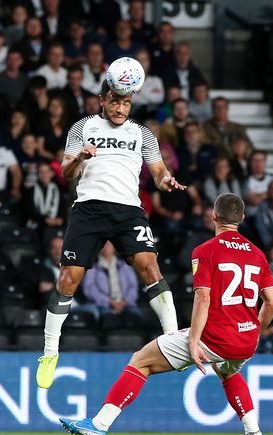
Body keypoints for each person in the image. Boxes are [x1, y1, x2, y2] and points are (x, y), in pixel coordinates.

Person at [59, 193, 273, 435]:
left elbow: (203, 298)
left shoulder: (205, 251)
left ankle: (99, 425)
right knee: (227, 371)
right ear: (241, 218)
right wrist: (255, 331)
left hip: (214, 337)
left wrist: (194, 341)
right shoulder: (257, 253)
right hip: (245, 341)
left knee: (141, 361)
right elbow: (272, 302)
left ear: (213, 216)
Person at [36, 79, 186, 390]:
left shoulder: (142, 134)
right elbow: (65, 173)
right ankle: (50, 353)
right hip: (89, 208)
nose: (120, 108)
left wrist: (166, 180)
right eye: (115, 102)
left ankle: (173, 340)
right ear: (103, 100)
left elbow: (158, 174)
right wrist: (81, 157)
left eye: (126, 103)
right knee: (68, 279)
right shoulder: (82, 128)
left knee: (151, 268)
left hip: (128, 211)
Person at [81, 241, 142, 320]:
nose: (106, 247)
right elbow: (89, 289)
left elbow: (133, 286)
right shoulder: (92, 267)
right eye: (104, 244)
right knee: (108, 318)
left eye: (109, 244)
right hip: (102, 305)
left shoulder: (125, 266)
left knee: (135, 316)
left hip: (126, 305)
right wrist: (109, 302)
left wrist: (125, 302)